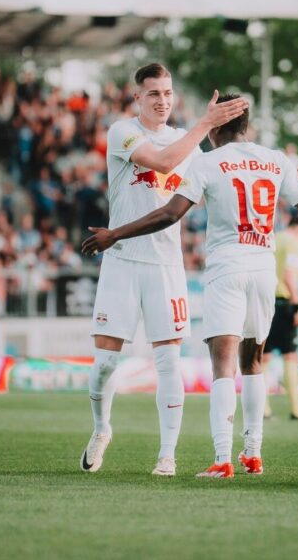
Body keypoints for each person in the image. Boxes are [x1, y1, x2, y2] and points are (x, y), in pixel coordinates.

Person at [83, 94, 298, 478]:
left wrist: (116, 233)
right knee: (254, 363)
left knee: (223, 367)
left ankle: (223, 459)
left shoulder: (209, 162)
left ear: (215, 128)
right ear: (247, 126)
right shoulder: (277, 159)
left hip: (227, 270)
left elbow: (169, 213)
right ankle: (254, 454)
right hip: (264, 271)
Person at [79, 64, 249, 477]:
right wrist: (203, 125)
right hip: (121, 261)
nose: (162, 101)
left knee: (169, 363)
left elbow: (224, 177)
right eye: (153, 93)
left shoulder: (187, 139)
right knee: (104, 362)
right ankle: (102, 429)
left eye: (168, 93)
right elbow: (161, 161)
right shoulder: (123, 131)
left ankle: (167, 455)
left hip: (166, 265)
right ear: (137, 98)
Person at [263, 218, 298, 420]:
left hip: (263, 301)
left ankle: (262, 409)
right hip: (283, 303)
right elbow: (289, 276)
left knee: (263, 357)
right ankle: (297, 410)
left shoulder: (272, 238)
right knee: (290, 356)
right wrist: (297, 306)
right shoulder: (294, 243)